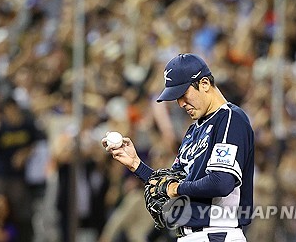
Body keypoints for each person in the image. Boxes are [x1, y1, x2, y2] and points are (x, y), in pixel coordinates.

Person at [103, 53, 254, 241]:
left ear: (205, 84)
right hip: (191, 235)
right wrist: (136, 164)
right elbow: (172, 181)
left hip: (217, 233)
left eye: (183, 94)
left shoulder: (230, 119)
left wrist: (176, 188)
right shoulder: (193, 130)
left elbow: (221, 182)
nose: (180, 103)